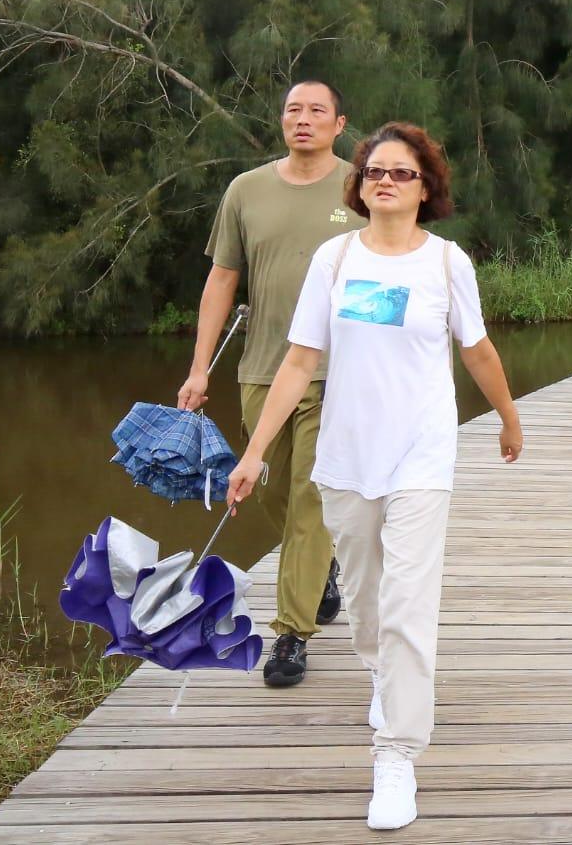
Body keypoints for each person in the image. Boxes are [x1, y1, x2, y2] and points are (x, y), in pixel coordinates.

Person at [227, 121, 523, 833]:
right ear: (359, 187)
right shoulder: (334, 261)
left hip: (422, 456)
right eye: (374, 172)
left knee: (408, 604)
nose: (384, 181)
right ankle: (382, 676)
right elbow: (299, 361)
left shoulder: (448, 265)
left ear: (427, 188)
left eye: (401, 172)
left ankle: (396, 752)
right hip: (346, 457)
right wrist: (256, 450)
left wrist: (509, 418)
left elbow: (476, 349)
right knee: (364, 599)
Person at [177, 80, 356, 690]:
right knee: (272, 486)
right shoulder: (245, 191)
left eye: (316, 112)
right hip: (263, 370)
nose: (303, 120)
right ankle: (321, 565)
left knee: (310, 494)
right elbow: (222, 282)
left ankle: (290, 635)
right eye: (293, 110)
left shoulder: (361, 186)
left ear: (339, 124)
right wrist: (199, 368)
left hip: (340, 373)